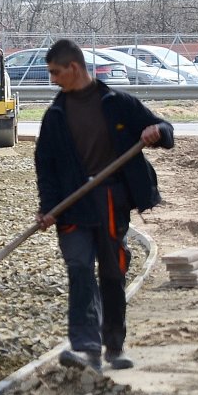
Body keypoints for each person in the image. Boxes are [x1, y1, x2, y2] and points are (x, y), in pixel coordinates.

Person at [34, 38, 174, 373]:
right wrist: (47, 207)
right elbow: (45, 165)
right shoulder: (55, 116)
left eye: (56, 72)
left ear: (74, 68)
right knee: (80, 270)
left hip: (111, 202)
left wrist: (157, 131)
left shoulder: (117, 104)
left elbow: (166, 129)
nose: (52, 79)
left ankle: (114, 345)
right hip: (72, 208)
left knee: (112, 274)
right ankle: (86, 349)